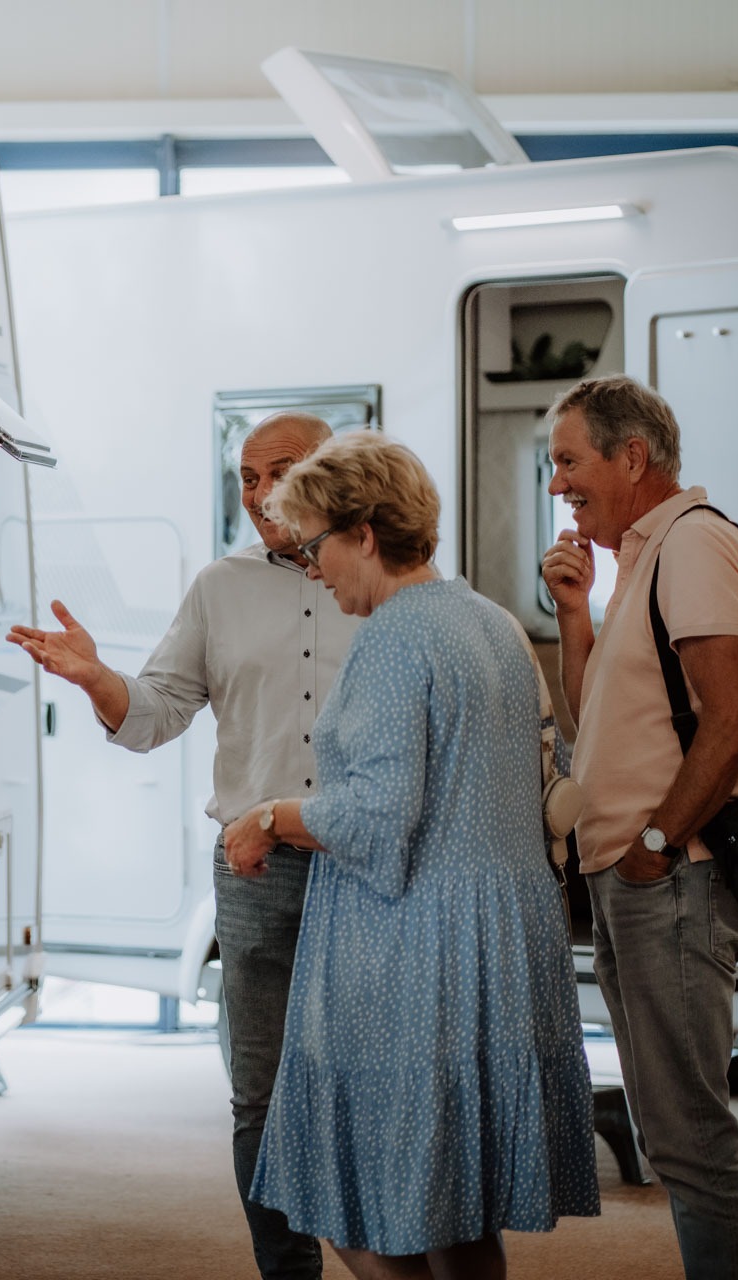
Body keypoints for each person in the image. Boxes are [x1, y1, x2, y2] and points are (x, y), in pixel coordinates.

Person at [229, 431, 600, 1280]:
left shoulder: (396, 637)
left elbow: (376, 817)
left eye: (315, 546)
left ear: (364, 534)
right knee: (459, 1206)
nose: (312, 569)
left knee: (351, 1195)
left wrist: (269, 817)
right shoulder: (490, 620)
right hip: (497, 938)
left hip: (415, 951)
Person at [7, 412, 355, 1280]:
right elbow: (157, 711)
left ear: (333, 472)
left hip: (369, 867)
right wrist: (100, 678)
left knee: (373, 1091)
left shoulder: (390, 586)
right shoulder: (218, 588)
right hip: (257, 867)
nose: (260, 493)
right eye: (246, 477)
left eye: (280, 472)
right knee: (261, 1099)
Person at [540, 374, 738, 1280]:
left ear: (632, 456)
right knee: (670, 1131)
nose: (557, 483)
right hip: (639, 880)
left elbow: (733, 721)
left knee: (690, 1137)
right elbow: (596, 720)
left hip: (673, 879)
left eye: (569, 461)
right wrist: (575, 618)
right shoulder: (643, 560)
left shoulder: (694, 545)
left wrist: (655, 846)